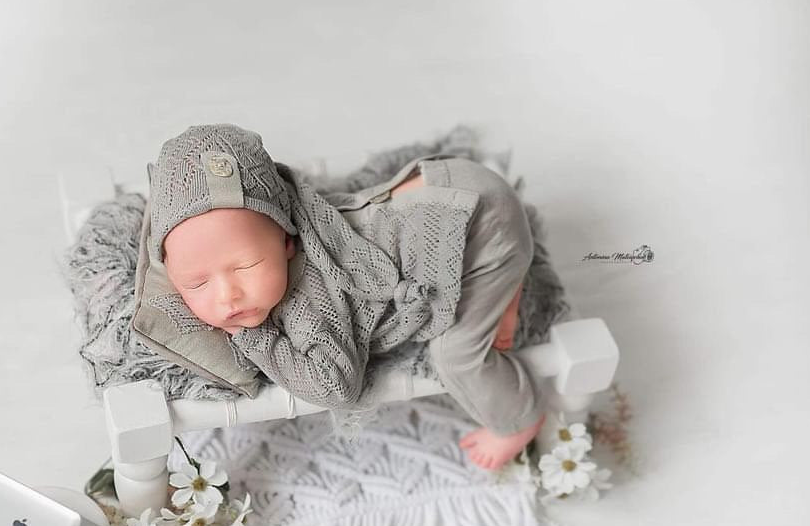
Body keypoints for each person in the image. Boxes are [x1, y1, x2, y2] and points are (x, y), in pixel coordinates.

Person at [147, 123, 545, 471]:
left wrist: (256, 337)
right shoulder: (292, 221)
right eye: (197, 284)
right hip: (449, 181)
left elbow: (336, 387)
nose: (228, 295)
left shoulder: (311, 300)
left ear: (288, 242)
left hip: (486, 226)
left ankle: (520, 419)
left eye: (246, 266)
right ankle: (501, 289)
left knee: (456, 355)